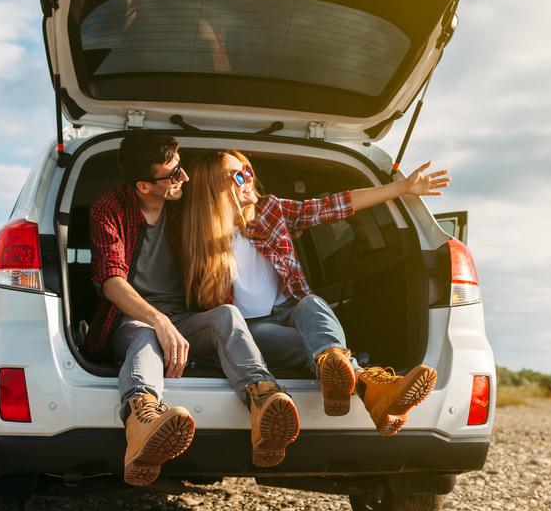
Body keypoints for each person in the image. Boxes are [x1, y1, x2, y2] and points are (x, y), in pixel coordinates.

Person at [180, 149, 449, 436]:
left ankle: (344, 373)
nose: (248, 179)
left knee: (313, 303)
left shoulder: (270, 212)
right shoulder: (192, 233)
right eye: (238, 174)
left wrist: (402, 187)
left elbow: (332, 206)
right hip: (246, 330)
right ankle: (371, 388)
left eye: (249, 171)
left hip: (289, 310)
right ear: (211, 185)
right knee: (314, 344)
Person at [86, 134, 299, 487]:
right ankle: (143, 421)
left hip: (186, 316)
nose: (183, 178)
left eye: (181, 169)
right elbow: (112, 282)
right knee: (143, 339)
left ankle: (263, 401)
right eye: (173, 175)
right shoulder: (108, 209)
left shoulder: (182, 205)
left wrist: (239, 179)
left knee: (228, 315)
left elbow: (225, 205)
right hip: (132, 317)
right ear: (142, 185)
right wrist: (159, 321)